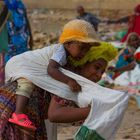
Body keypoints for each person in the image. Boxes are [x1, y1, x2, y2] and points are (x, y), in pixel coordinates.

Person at [0, 42, 117, 139]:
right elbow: (55, 114)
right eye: (96, 67)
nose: (99, 75)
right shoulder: (69, 79)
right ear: (83, 63)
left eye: (102, 71)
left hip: (18, 106)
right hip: (17, 110)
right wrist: (96, 109)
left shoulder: (71, 80)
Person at [5, 19, 100, 131]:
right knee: (27, 82)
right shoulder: (60, 51)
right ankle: (18, 113)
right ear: (68, 43)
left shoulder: (66, 58)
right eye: (82, 48)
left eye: (87, 50)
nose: (84, 53)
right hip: (20, 64)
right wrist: (69, 81)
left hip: (23, 64)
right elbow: (51, 70)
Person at [0, 0, 33, 85]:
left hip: (22, 43)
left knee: (22, 71)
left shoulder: (19, 3)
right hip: (8, 45)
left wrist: (31, 37)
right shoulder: (3, 5)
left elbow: (25, 19)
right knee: (7, 70)